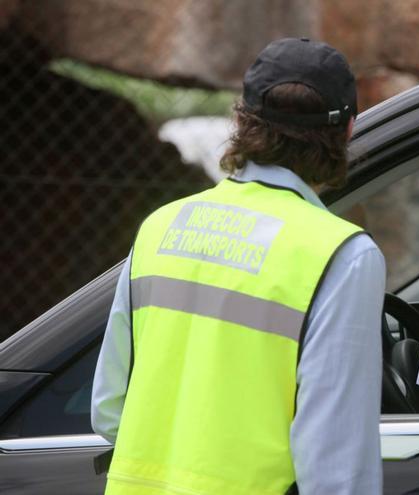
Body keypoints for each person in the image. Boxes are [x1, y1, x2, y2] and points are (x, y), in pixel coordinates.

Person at [90, 38, 384, 495]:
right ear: (347, 131)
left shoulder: (162, 226)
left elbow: (109, 411)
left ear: (241, 121)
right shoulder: (341, 254)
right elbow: (336, 463)